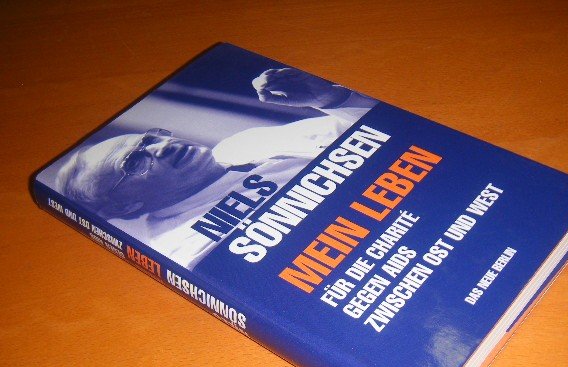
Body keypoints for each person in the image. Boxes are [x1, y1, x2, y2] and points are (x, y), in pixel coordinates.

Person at [55, 67, 378, 269]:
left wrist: (332, 100)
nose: (161, 147)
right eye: (134, 162)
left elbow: (380, 134)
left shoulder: (242, 144)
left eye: (148, 140)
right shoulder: (183, 248)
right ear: (126, 205)